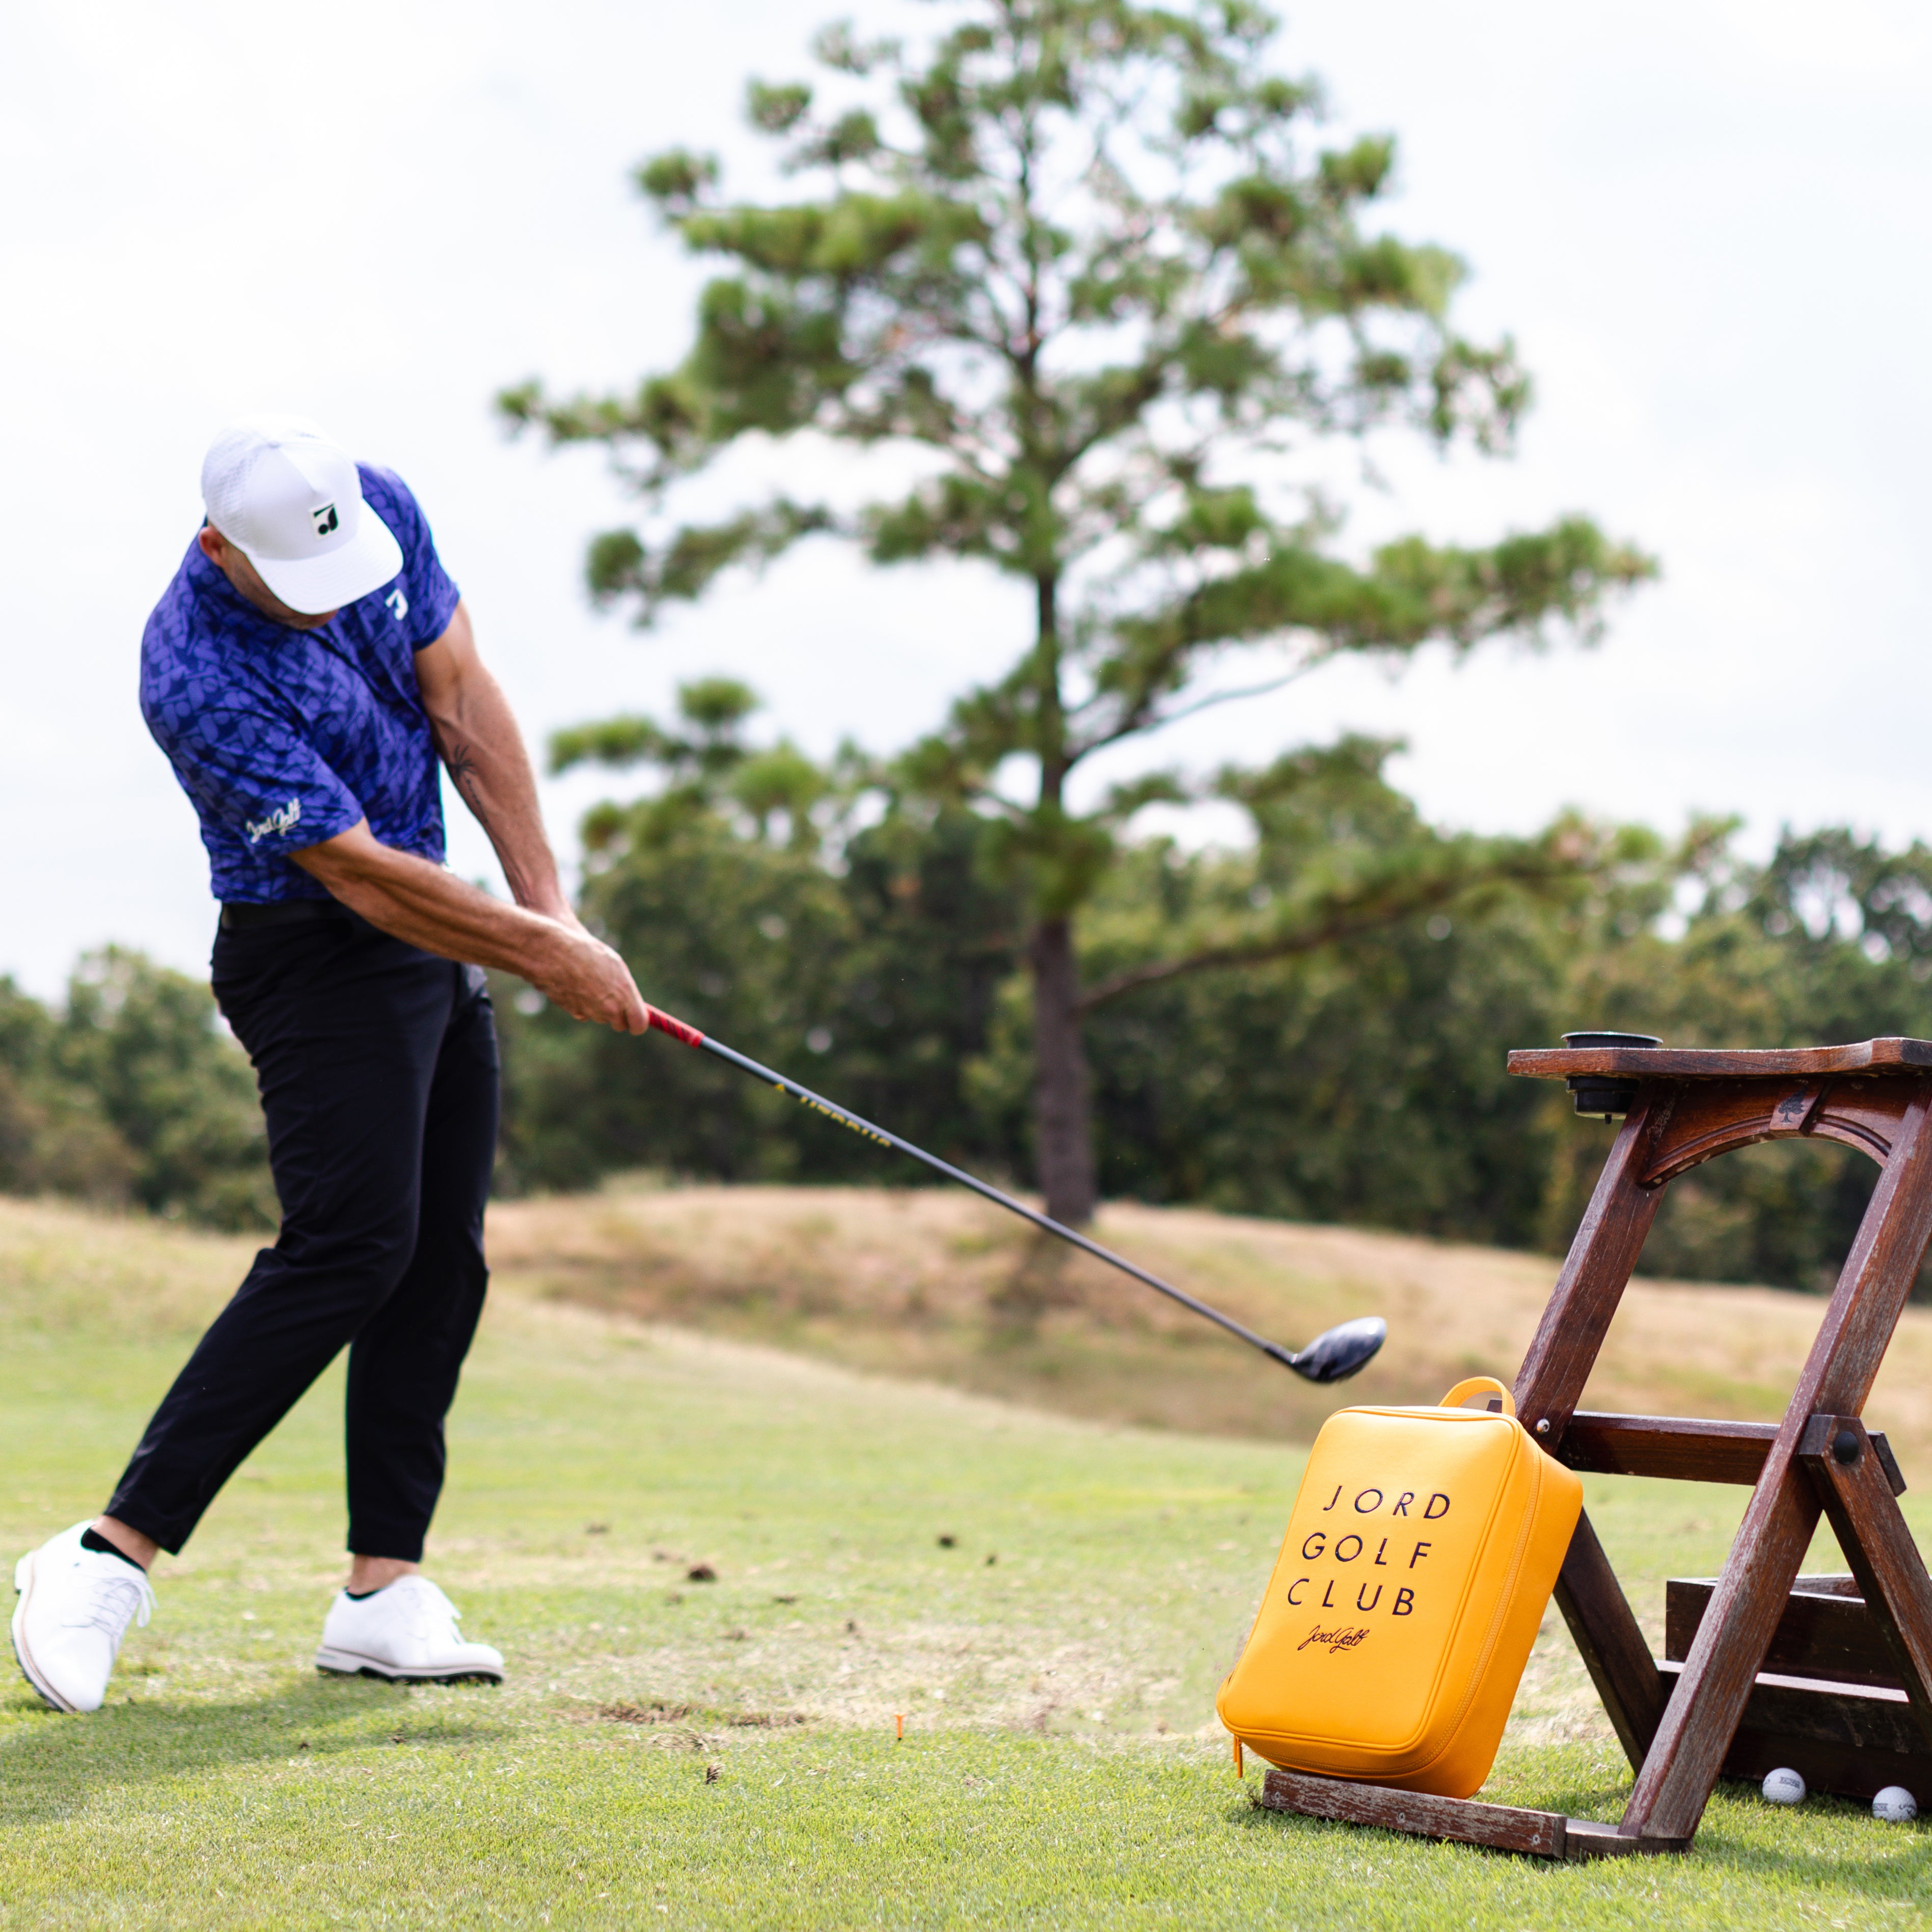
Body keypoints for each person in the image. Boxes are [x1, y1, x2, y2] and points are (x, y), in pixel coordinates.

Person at [10, 416, 650, 1714]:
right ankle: (102, 1559)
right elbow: (354, 876)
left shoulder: (377, 507)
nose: (327, 604)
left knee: (442, 1254)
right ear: (216, 547)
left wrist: (552, 916)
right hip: (311, 949)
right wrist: (538, 955)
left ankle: (382, 1593)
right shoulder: (190, 673)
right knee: (350, 1244)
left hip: (442, 927)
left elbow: (462, 703)